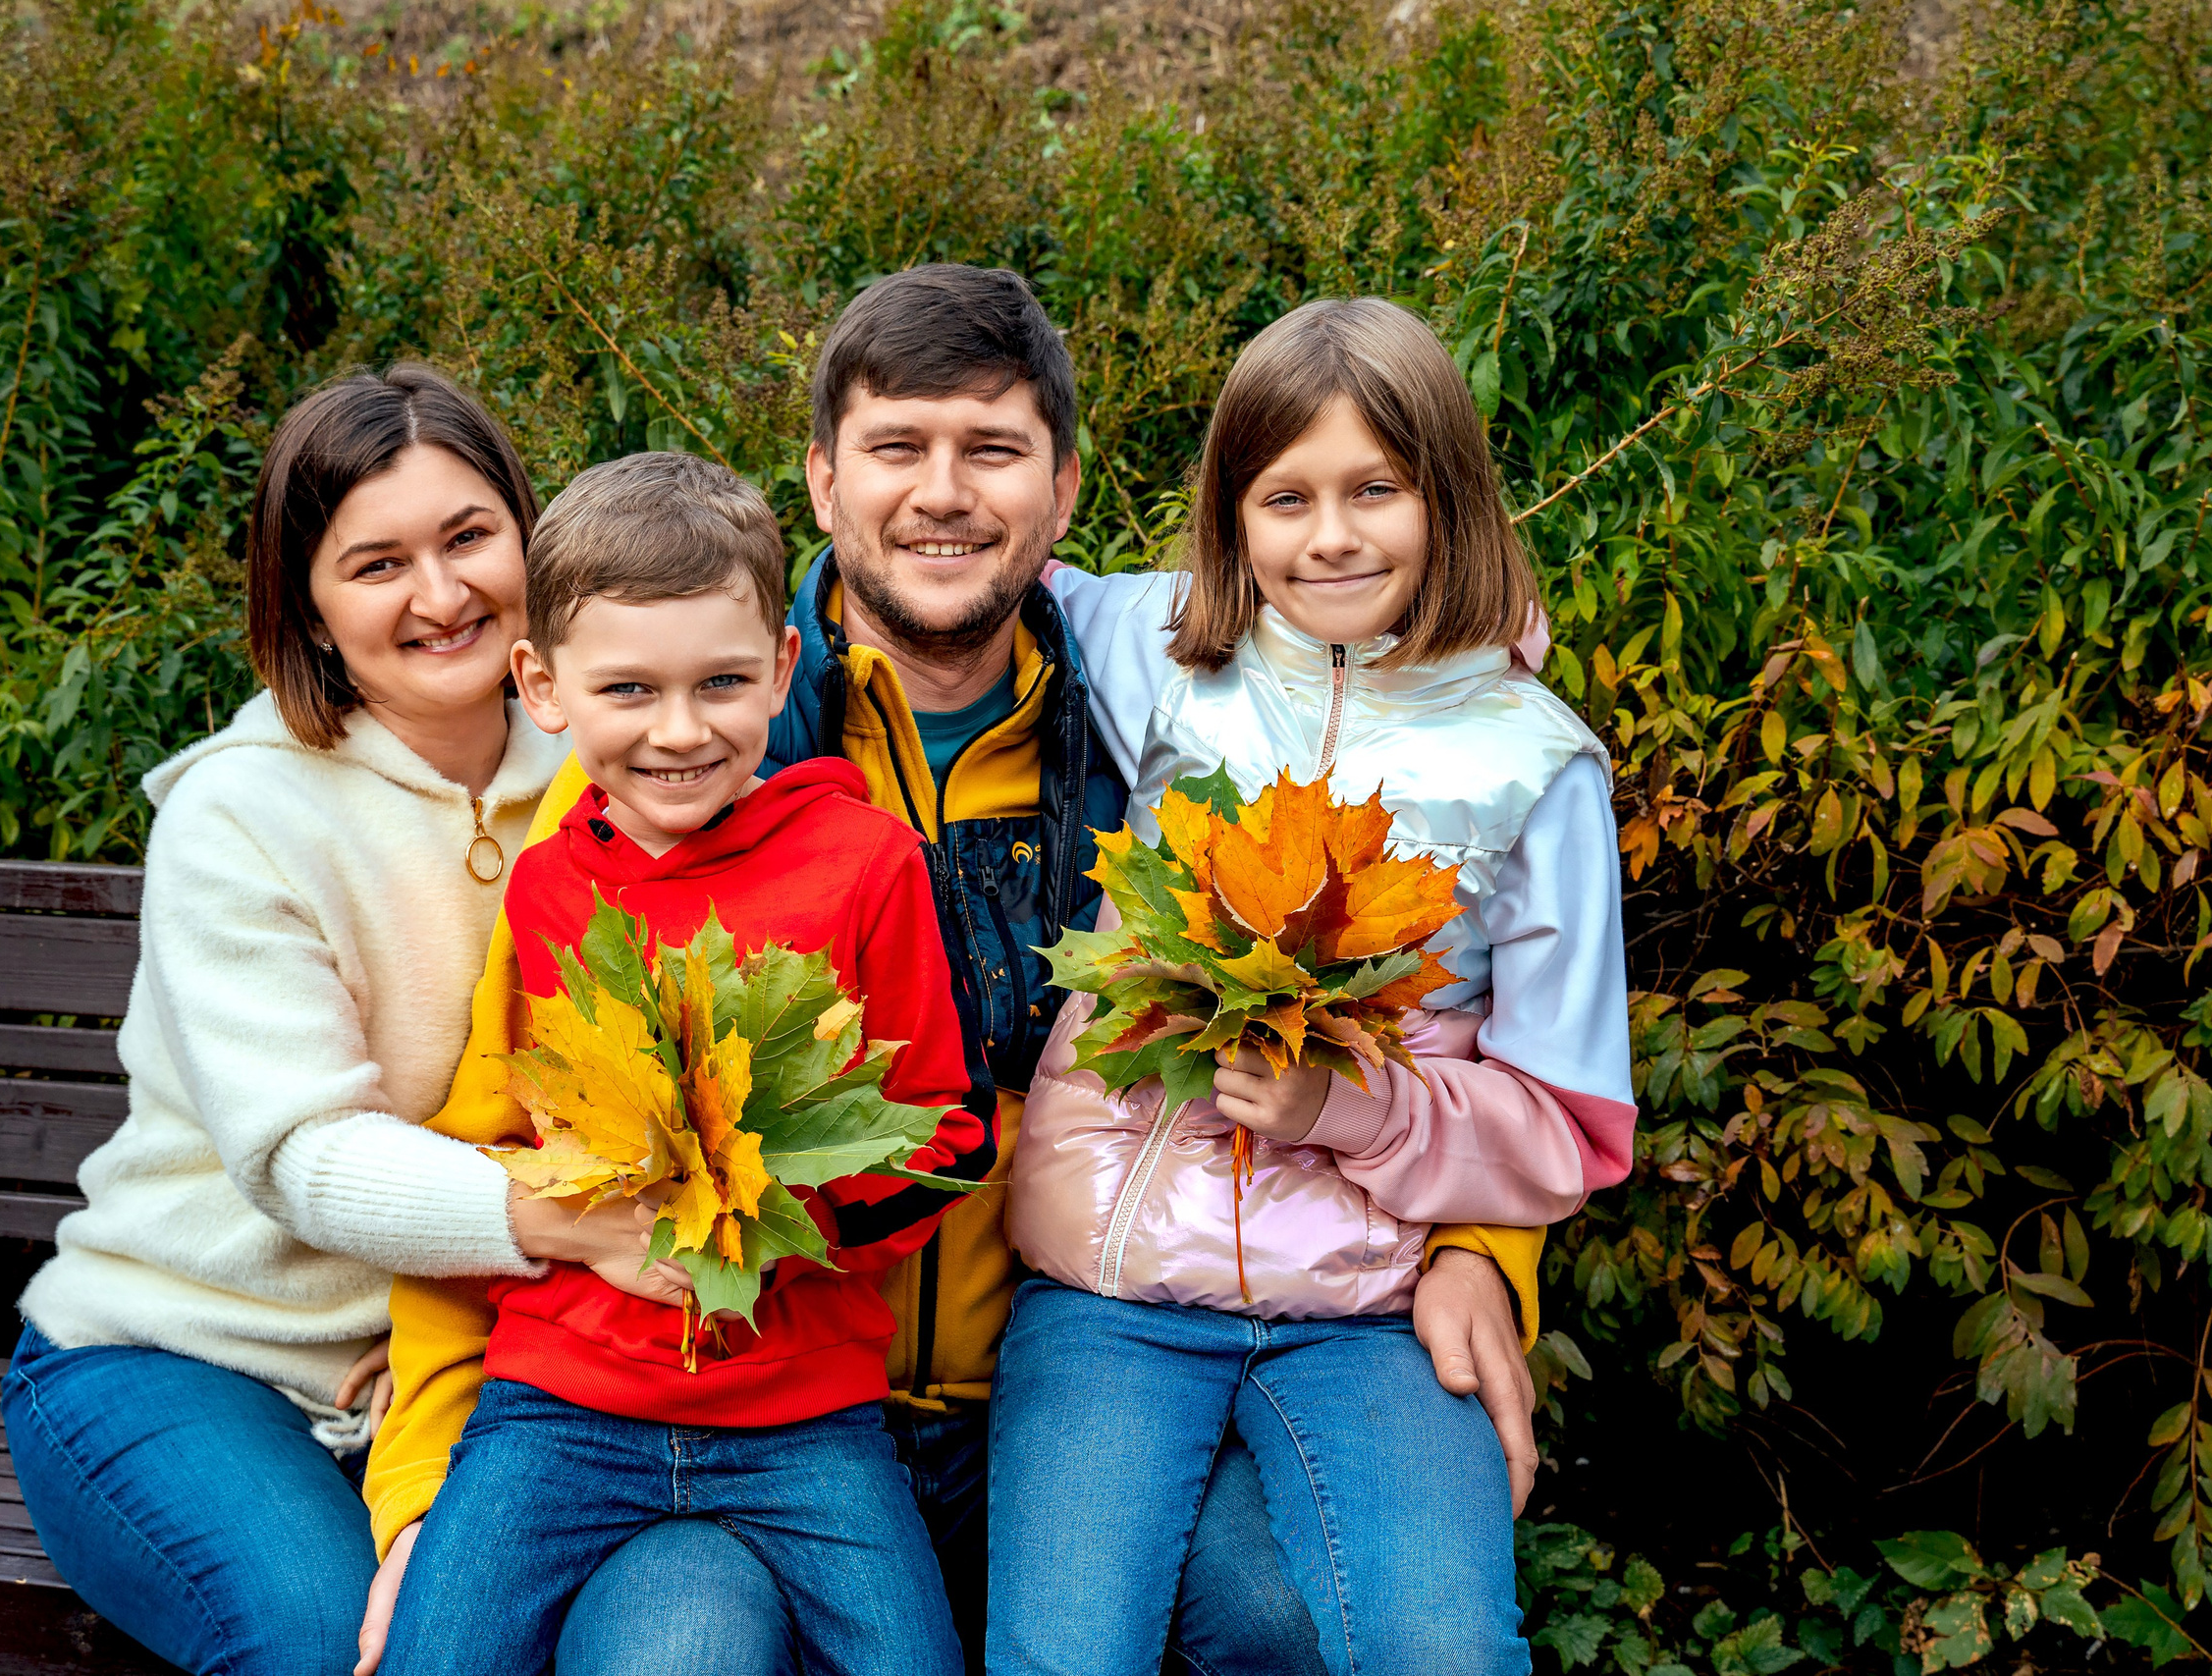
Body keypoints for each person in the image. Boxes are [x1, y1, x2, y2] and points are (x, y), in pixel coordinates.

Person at [360, 266, 1551, 1676]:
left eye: (990, 449)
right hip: (773, 1410)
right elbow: (520, 1126)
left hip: (1088, 1372)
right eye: (896, 447)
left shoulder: (1169, 728)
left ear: (1061, 492)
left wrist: (1486, 1250)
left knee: (1281, 1610)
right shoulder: (678, 761)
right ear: (820, 478)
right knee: (683, 1637)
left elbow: (1438, 935)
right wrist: (425, 1478)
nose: (942, 493)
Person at [0, 365, 776, 1676]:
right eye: (377, 561)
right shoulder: (243, 813)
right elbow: (303, 1153)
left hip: (514, 1365)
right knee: (321, 1639)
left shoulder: (640, 761)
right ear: (305, 598)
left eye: (470, 535)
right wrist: (555, 1220)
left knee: (680, 1637)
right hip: (192, 1354)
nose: (441, 592)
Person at [987, 297, 1639, 1676]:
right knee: (1064, 1652)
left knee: (1442, 1642)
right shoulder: (1160, 654)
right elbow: (974, 550)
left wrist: (1354, 1104)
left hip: (1368, 1302)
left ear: (1446, 495)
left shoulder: (1534, 769)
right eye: (1285, 496)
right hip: (1109, 1284)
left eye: (1374, 490)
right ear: (1230, 517)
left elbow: (1572, 1123)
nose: (1329, 534)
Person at [366, 452, 986, 1676]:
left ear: (780, 672)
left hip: (802, 1415)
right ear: (542, 686)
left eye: (720, 682)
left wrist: (776, 1202)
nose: (680, 730)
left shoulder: (865, 865)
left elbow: (944, 1137)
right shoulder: (550, 885)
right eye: (629, 690)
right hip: (561, 1405)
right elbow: (529, 1129)